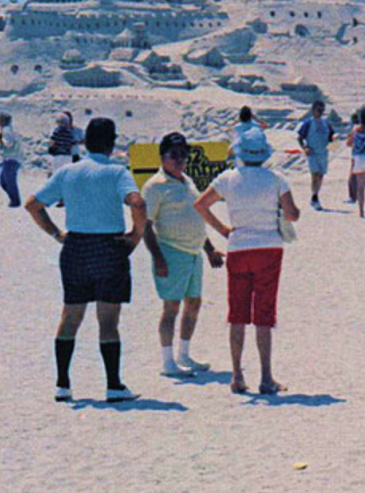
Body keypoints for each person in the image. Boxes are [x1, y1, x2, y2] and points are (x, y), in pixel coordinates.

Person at [25, 117, 146, 403]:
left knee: (71, 316)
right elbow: (138, 203)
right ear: (111, 142)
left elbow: (33, 205)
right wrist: (135, 235)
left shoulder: (68, 172)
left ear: (85, 142)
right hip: (109, 247)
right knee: (108, 320)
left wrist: (56, 233)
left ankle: (63, 383)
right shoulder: (117, 172)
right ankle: (113, 385)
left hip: (76, 246)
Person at [194, 128, 300, 395]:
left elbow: (201, 205)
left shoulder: (228, 179)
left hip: (239, 246)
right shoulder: (276, 179)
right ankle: (266, 377)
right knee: (264, 314)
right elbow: (293, 214)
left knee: (237, 313)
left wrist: (223, 230)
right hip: (269, 249)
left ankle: (237, 375)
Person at [142, 132, 225, 379]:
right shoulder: (154, 187)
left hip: (193, 252)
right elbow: (146, 225)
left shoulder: (187, 181)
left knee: (194, 304)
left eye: (183, 155)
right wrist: (158, 258)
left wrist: (209, 249)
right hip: (171, 251)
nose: (179, 160)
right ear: (162, 157)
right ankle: (167, 362)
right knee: (171, 307)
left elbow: (197, 216)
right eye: (173, 155)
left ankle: (184, 354)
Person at [297, 100, 334, 210]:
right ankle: (315, 197)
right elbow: (300, 137)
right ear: (313, 110)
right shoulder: (308, 123)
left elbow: (331, 137)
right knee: (314, 175)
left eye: (322, 110)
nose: (320, 112)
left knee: (320, 176)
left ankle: (315, 194)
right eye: (318, 110)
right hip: (313, 153)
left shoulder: (326, 123)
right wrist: (305, 148)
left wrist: (334, 140)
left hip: (323, 153)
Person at [0, 112, 24, 208]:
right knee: (5, 181)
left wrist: (0, 139)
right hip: (12, 158)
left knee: (7, 181)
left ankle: (15, 201)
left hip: (11, 158)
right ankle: (14, 199)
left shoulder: (6, 130)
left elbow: (8, 144)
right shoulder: (9, 129)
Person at [48, 112, 82, 177]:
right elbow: (73, 143)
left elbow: (53, 140)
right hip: (68, 155)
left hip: (58, 155)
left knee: (57, 173)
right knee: (67, 174)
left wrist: (51, 147)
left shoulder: (56, 131)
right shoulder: (70, 133)